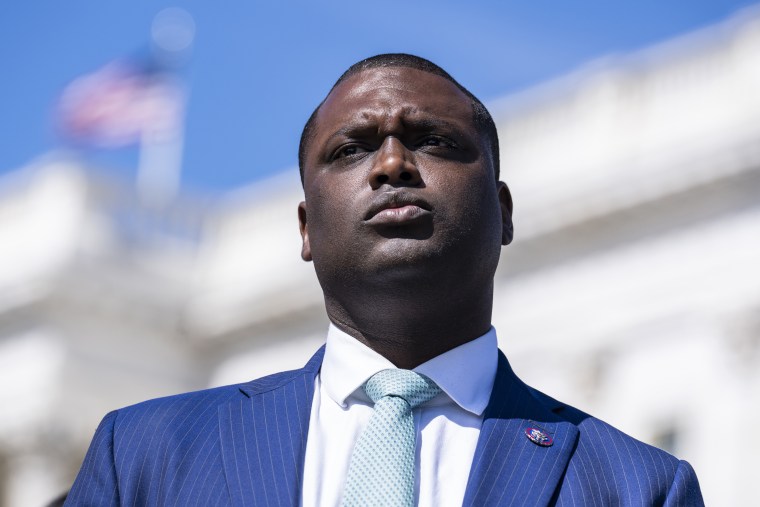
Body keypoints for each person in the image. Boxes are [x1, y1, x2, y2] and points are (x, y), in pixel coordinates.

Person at [65, 54, 703, 506]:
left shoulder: (637, 488)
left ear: (503, 212)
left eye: (432, 140)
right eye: (352, 149)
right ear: (306, 228)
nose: (393, 163)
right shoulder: (146, 456)